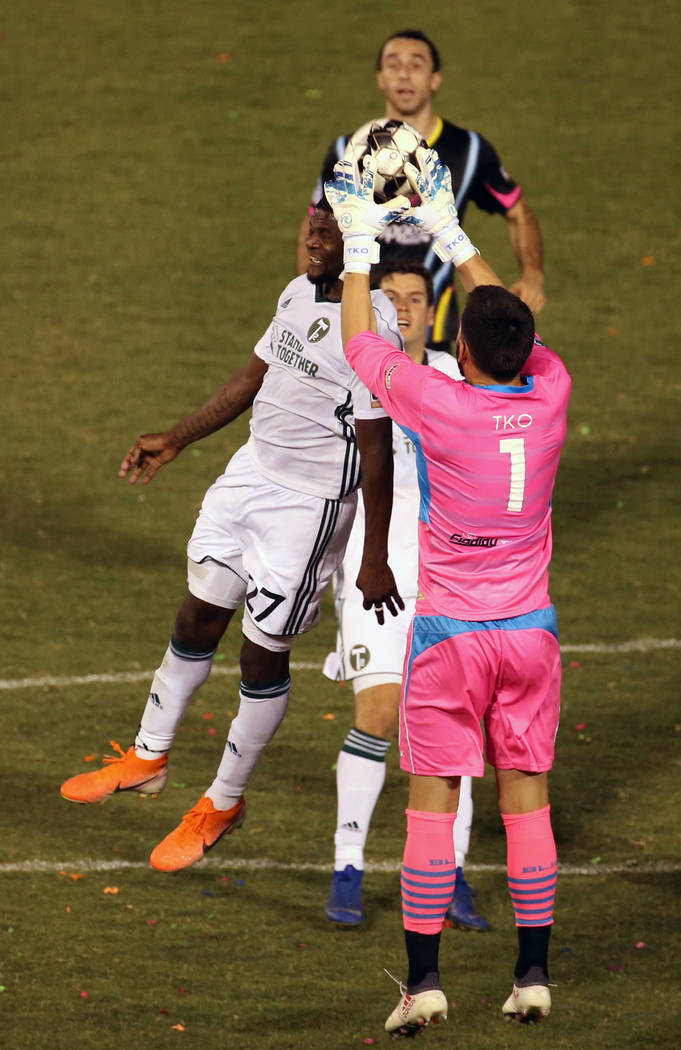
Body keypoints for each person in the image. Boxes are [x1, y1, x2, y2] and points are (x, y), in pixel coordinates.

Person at [60, 204, 405, 874]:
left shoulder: (372, 332)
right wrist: (178, 438)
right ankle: (149, 756)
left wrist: (373, 557)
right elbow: (252, 380)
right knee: (196, 613)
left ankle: (223, 801)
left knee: (258, 656)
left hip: (305, 514)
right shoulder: (296, 290)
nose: (310, 235)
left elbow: (377, 451)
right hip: (247, 479)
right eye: (308, 221)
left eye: (327, 229)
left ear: (358, 244)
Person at [325, 147, 570, 1034]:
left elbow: (359, 344)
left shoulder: (437, 399)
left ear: (457, 346)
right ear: (526, 350)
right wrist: (452, 229)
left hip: (449, 641)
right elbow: (510, 312)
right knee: (526, 801)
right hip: (529, 635)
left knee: (432, 802)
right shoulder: (551, 391)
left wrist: (362, 240)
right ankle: (532, 974)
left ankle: (424, 983)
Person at [323, 259, 489, 932]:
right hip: (375, 567)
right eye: (387, 296)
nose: (400, 308)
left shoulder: (460, 381)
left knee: (454, 725)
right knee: (381, 712)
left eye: (414, 298)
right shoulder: (348, 379)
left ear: (432, 310)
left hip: (450, 577)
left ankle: (447, 874)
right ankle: (348, 865)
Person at [297, 28, 545, 349]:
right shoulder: (349, 149)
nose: (403, 74)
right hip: (357, 318)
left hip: (432, 328)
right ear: (380, 78)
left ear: (435, 79)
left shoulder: (467, 149)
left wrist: (533, 274)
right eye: (393, 64)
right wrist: (307, 292)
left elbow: (517, 209)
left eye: (415, 65)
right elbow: (316, 224)